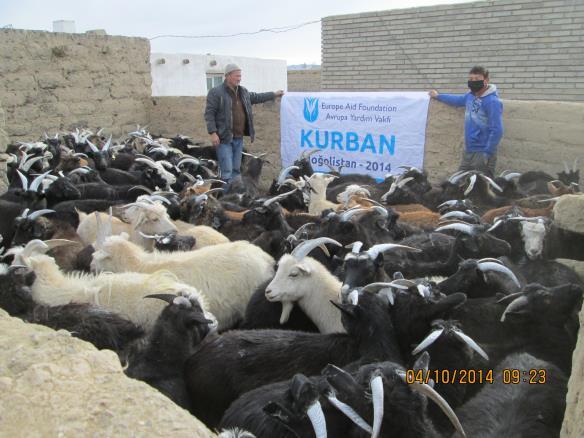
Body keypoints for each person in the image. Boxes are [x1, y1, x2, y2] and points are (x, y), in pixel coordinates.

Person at [204, 63, 284, 187]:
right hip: (224, 139)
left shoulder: (243, 92)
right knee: (227, 172)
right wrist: (213, 133)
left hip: (238, 138)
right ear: (228, 76)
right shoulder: (216, 93)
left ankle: (235, 198)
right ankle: (225, 199)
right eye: (237, 76)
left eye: (240, 76)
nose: (239, 78)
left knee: (236, 171)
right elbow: (209, 114)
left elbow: (257, 97)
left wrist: (273, 94)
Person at [429, 66, 503, 177]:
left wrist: (487, 153)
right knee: (458, 181)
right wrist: (438, 96)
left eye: (477, 79)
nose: (473, 82)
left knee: (479, 187)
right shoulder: (470, 96)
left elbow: (497, 130)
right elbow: (457, 100)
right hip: (469, 150)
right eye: (471, 79)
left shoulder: (492, 102)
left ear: (486, 80)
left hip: (482, 152)